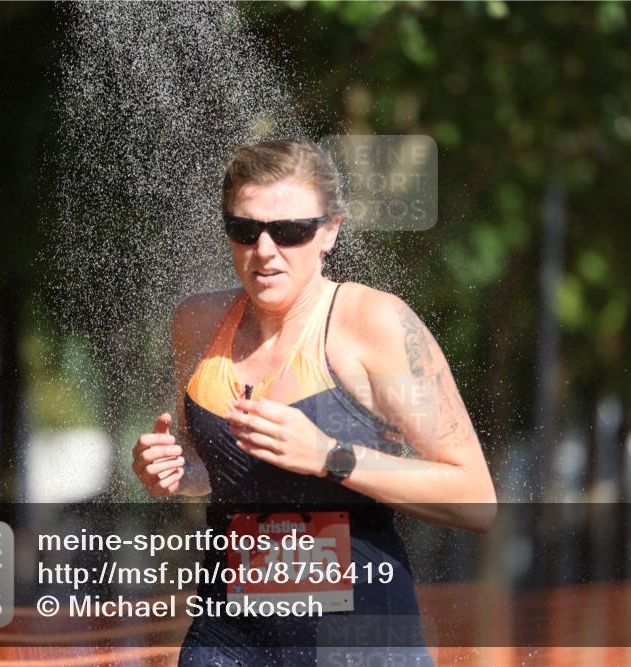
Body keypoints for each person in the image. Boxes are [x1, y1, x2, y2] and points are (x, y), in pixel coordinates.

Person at [132, 139, 496, 665]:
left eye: (290, 232)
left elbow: (475, 499)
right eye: (244, 229)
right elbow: (218, 468)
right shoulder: (198, 323)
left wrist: (331, 455)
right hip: (229, 635)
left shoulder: (374, 325)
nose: (264, 250)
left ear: (330, 231)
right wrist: (173, 467)